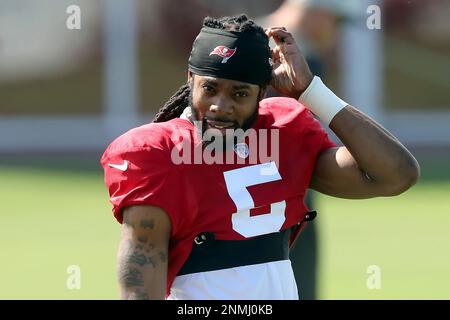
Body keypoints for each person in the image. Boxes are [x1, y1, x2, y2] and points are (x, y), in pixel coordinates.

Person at [100, 15, 419, 300]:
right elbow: (139, 282)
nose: (220, 106)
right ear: (190, 80)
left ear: (262, 92)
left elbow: (396, 174)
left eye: (239, 93)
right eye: (210, 89)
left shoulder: (283, 136)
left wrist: (311, 92)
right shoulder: (158, 153)